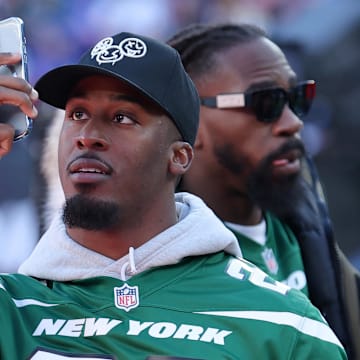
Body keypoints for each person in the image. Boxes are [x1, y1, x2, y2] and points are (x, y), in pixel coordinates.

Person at [0, 32, 347, 359]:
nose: (87, 136)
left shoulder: (286, 325)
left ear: (179, 156)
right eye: (77, 114)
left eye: (122, 117)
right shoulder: (10, 307)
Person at [167, 23, 360, 359]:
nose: (293, 123)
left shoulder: (305, 218)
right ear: (190, 119)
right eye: (266, 103)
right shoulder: (155, 264)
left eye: (297, 98)